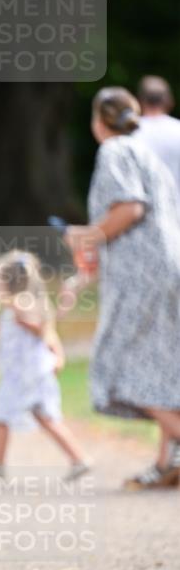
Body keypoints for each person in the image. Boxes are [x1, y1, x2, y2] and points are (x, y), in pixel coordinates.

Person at [66, 87, 180, 490]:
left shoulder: (115, 151)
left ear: (100, 121)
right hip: (167, 266)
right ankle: (168, 464)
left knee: (116, 363)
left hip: (140, 271)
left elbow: (129, 208)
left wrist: (88, 235)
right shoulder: (146, 153)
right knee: (162, 364)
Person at [0, 250, 90, 479]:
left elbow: (43, 329)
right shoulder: (19, 306)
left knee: (44, 417)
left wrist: (55, 353)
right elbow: (48, 329)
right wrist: (57, 353)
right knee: (4, 414)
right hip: (18, 376)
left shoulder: (21, 305)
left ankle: (79, 459)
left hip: (30, 375)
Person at [135, 75, 180, 481]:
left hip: (148, 255)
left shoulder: (131, 137)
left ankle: (169, 455)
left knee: (149, 355)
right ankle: (166, 461)